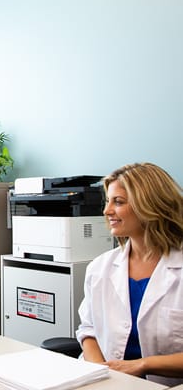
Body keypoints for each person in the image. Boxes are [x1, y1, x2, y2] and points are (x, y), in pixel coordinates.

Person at [76, 162, 183, 386]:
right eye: (108, 201)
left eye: (119, 202)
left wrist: (143, 364)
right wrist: (101, 372)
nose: (107, 211)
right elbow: (88, 330)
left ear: (150, 205)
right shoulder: (100, 267)